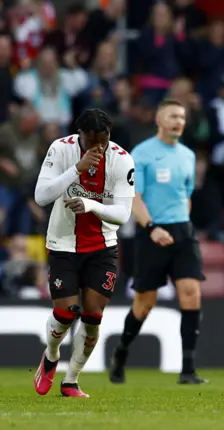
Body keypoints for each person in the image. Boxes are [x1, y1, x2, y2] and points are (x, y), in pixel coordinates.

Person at [33, 109, 135, 398]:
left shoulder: (121, 159)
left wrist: (91, 206)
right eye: (92, 142)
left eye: (103, 141)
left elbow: (123, 214)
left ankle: (71, 380)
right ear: (81, 136)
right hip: (63, 243)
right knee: (65, 313)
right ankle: (51, 356)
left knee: (92, 316)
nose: (98, 149)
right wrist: (77, 168)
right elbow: (41, 196)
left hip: (103, 247)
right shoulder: (60, 149)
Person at [108, 100, 206, 385]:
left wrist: (182, 223)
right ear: (159, 119)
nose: (179, 121)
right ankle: (122, 352)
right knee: (145, 303)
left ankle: (188, 369)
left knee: (191, 293)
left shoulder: (188, 155)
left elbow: (186, 195)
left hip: (182, 232)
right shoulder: (142, 154)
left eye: (182, 117)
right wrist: (151, 227)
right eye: (173, 116)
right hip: (151, 230)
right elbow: (135, 199)